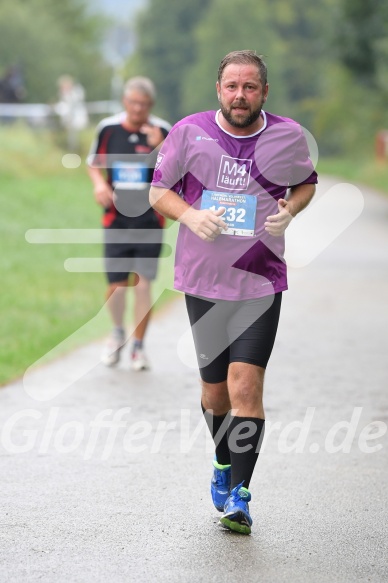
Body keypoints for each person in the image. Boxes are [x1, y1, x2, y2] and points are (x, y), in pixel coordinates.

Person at [149, 50, 317, 534]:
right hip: (203, 280)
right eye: (231, 86)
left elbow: (305, 184)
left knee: (247, 386)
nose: (239, 95)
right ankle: (223, 463)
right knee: (215, 391)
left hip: (260, 279)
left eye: (249, 87)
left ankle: (240, 497)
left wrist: (291, 211)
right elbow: (158, 190)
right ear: (218, 89)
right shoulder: (189, 132)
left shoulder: (286, 135)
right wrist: (191, 215)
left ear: (264, 91)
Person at [87, 76, 170, 371]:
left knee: (144, 284)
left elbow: (178, 173)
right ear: (125, 102)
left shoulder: (163, 131)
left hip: (150, 220)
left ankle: (138, 347)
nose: (138, 109)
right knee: (117, 286)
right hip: (116, 220)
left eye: (144, 105)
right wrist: (99, 185)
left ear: (151, 106)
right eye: (133, 103)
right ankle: (117, 332)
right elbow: (93, 164)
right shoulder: (108, 129)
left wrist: (160, 147)